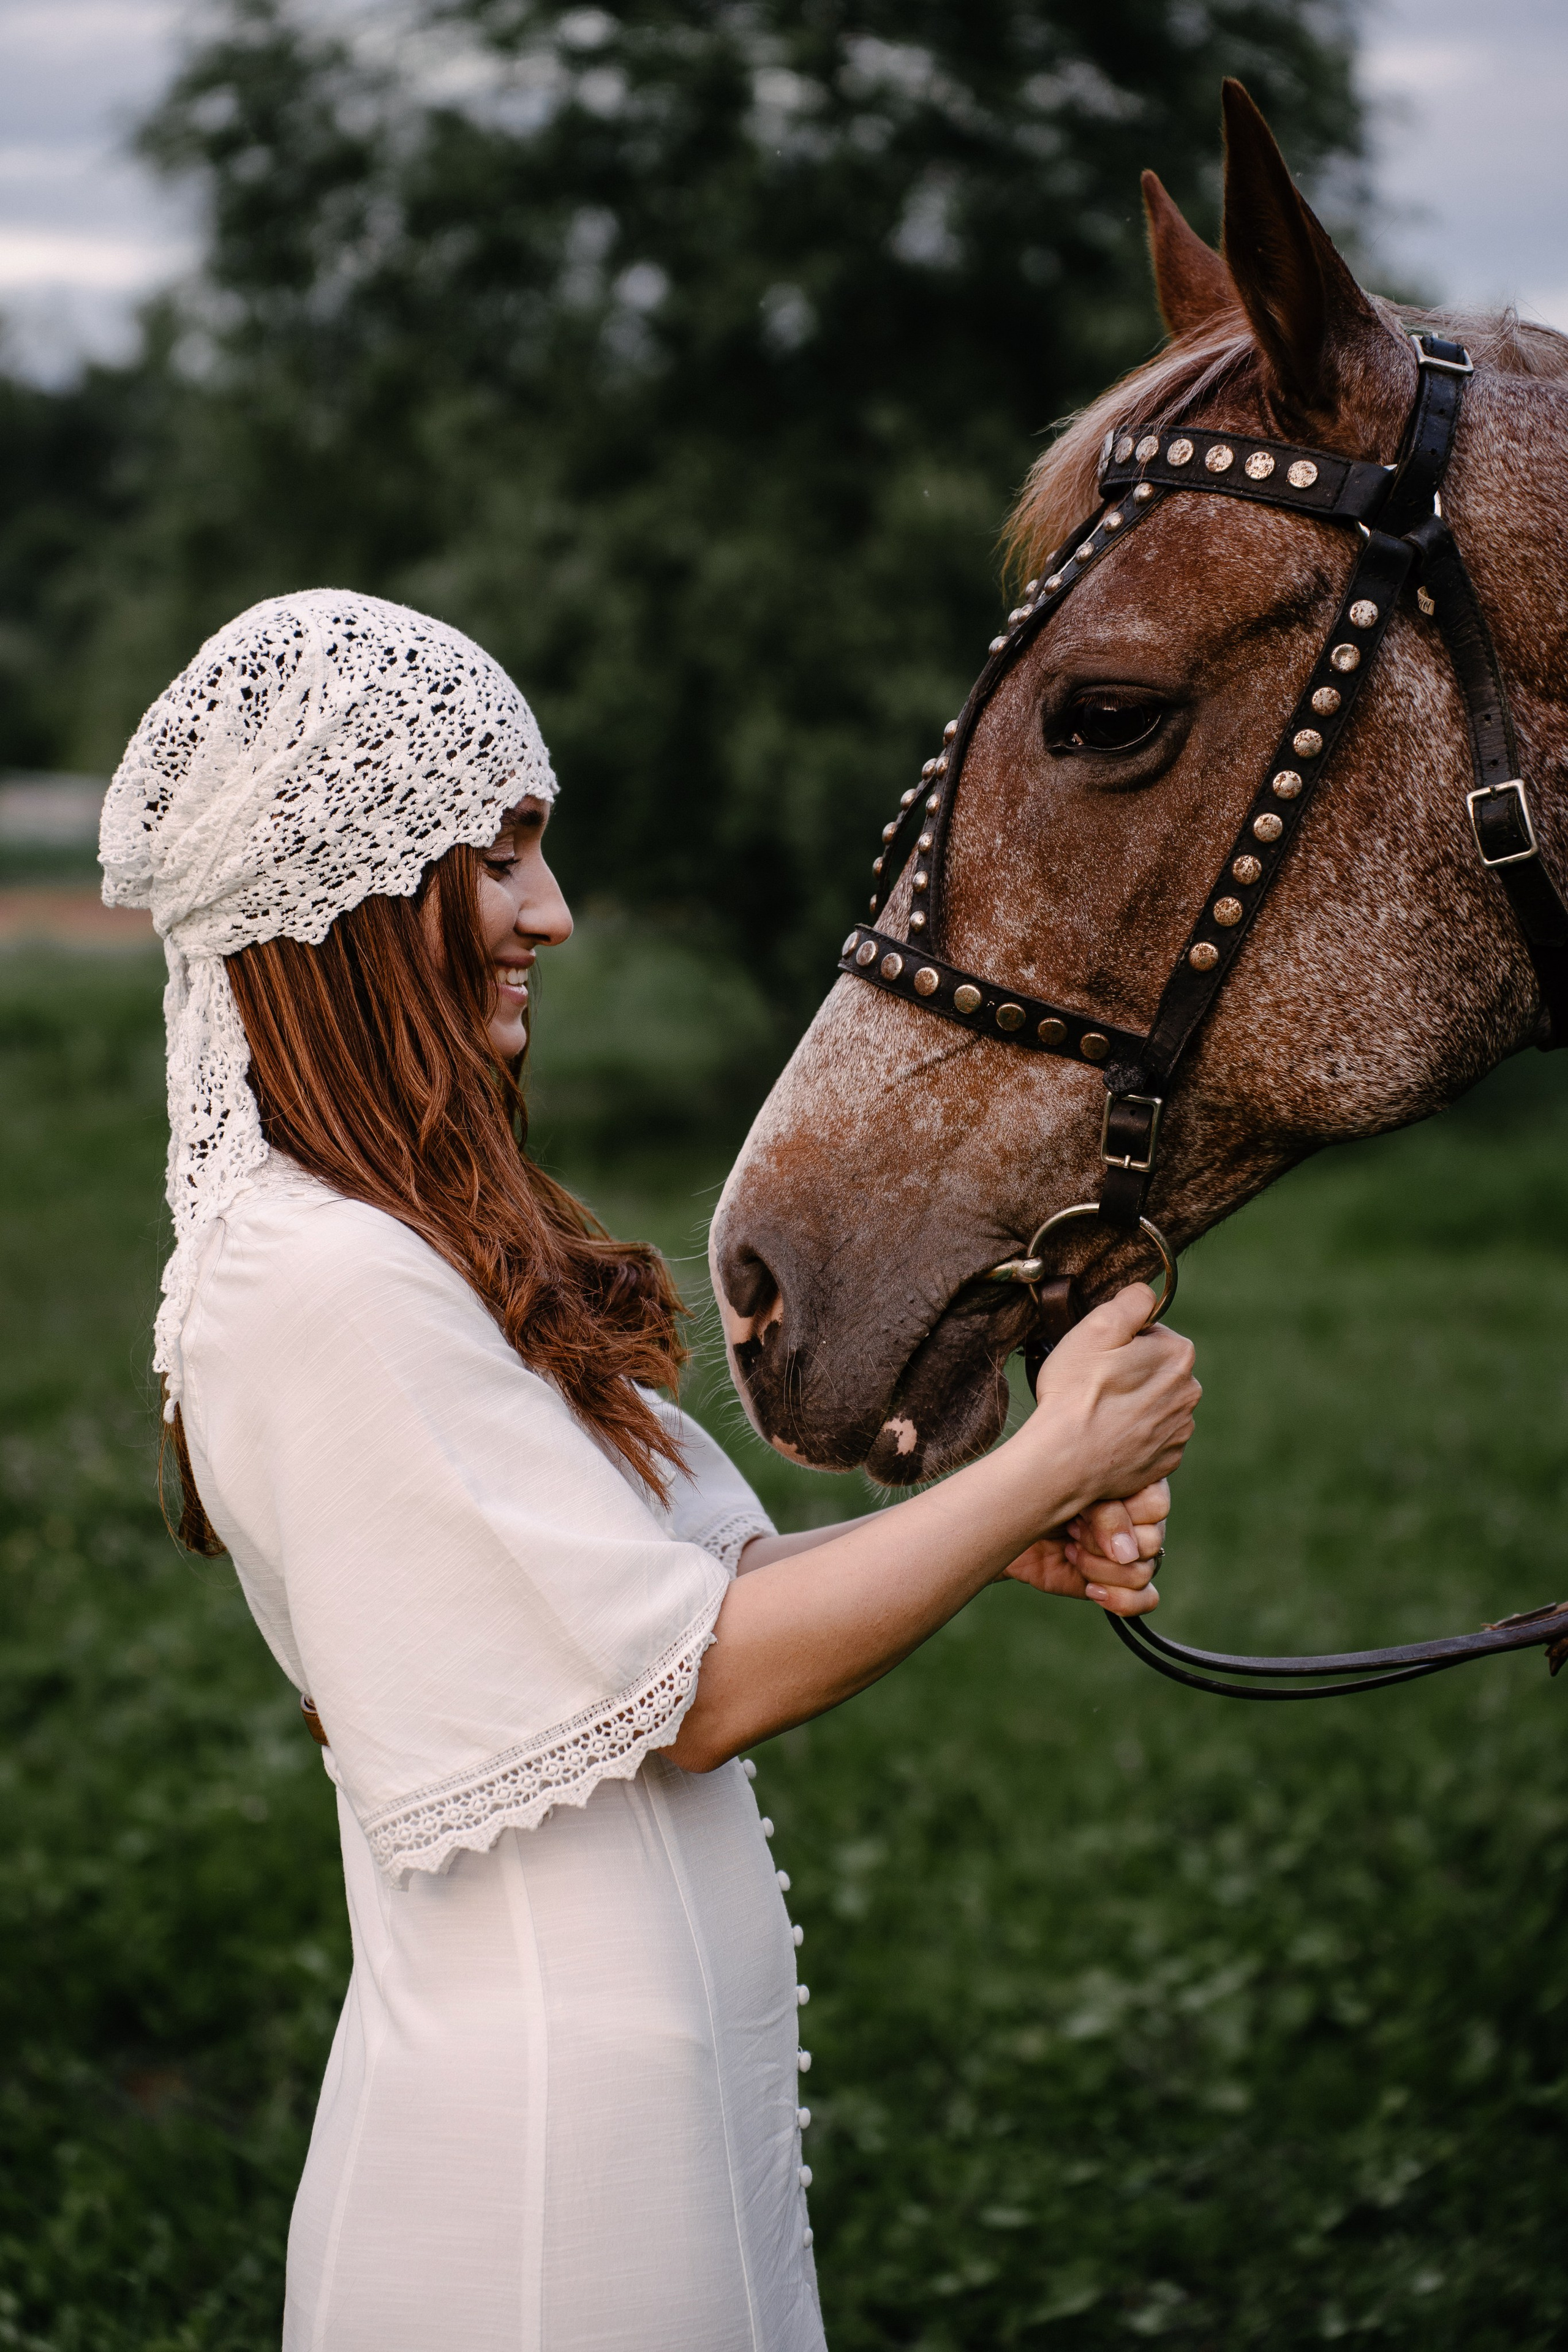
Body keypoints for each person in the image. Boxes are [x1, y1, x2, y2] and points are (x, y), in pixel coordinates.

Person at [101, 590, 1199, 2352]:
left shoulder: (395, 1249)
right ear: (352, 899)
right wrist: (1054, 1453)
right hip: (541, 2187)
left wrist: (981, 1530)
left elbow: (674, 1609)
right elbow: (691, 1691)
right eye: (502, 857)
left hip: (652, 2127)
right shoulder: (319, 1282)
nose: (553, 911)